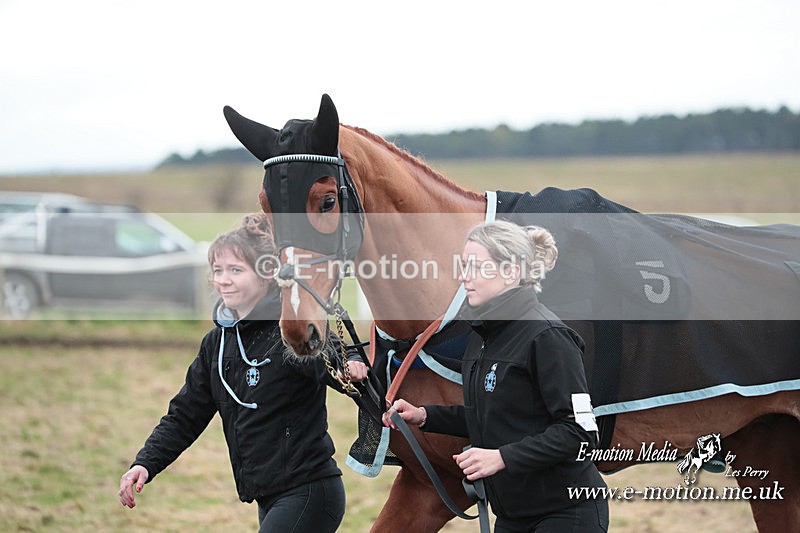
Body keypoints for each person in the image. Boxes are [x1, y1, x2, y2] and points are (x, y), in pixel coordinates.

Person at [118, 213, 367, 532]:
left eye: (235, 270)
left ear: (266, 276)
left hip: (309, 492)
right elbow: (184, 416)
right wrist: (145, 463)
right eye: (218, 271)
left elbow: (331, 354)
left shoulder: (289, 330)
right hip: (268, 497)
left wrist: (351, 363)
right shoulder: (215, 344)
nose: (222, 279)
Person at [384, 220, 608, 532]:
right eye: (464, 266)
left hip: (565, 513)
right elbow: (491, 416)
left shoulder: (549, 337)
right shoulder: (482, 335)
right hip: (512, 517)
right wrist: (424, 416)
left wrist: (502, 457)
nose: (464, 277)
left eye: (475, 267)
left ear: (510, 273)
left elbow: (581, 433)